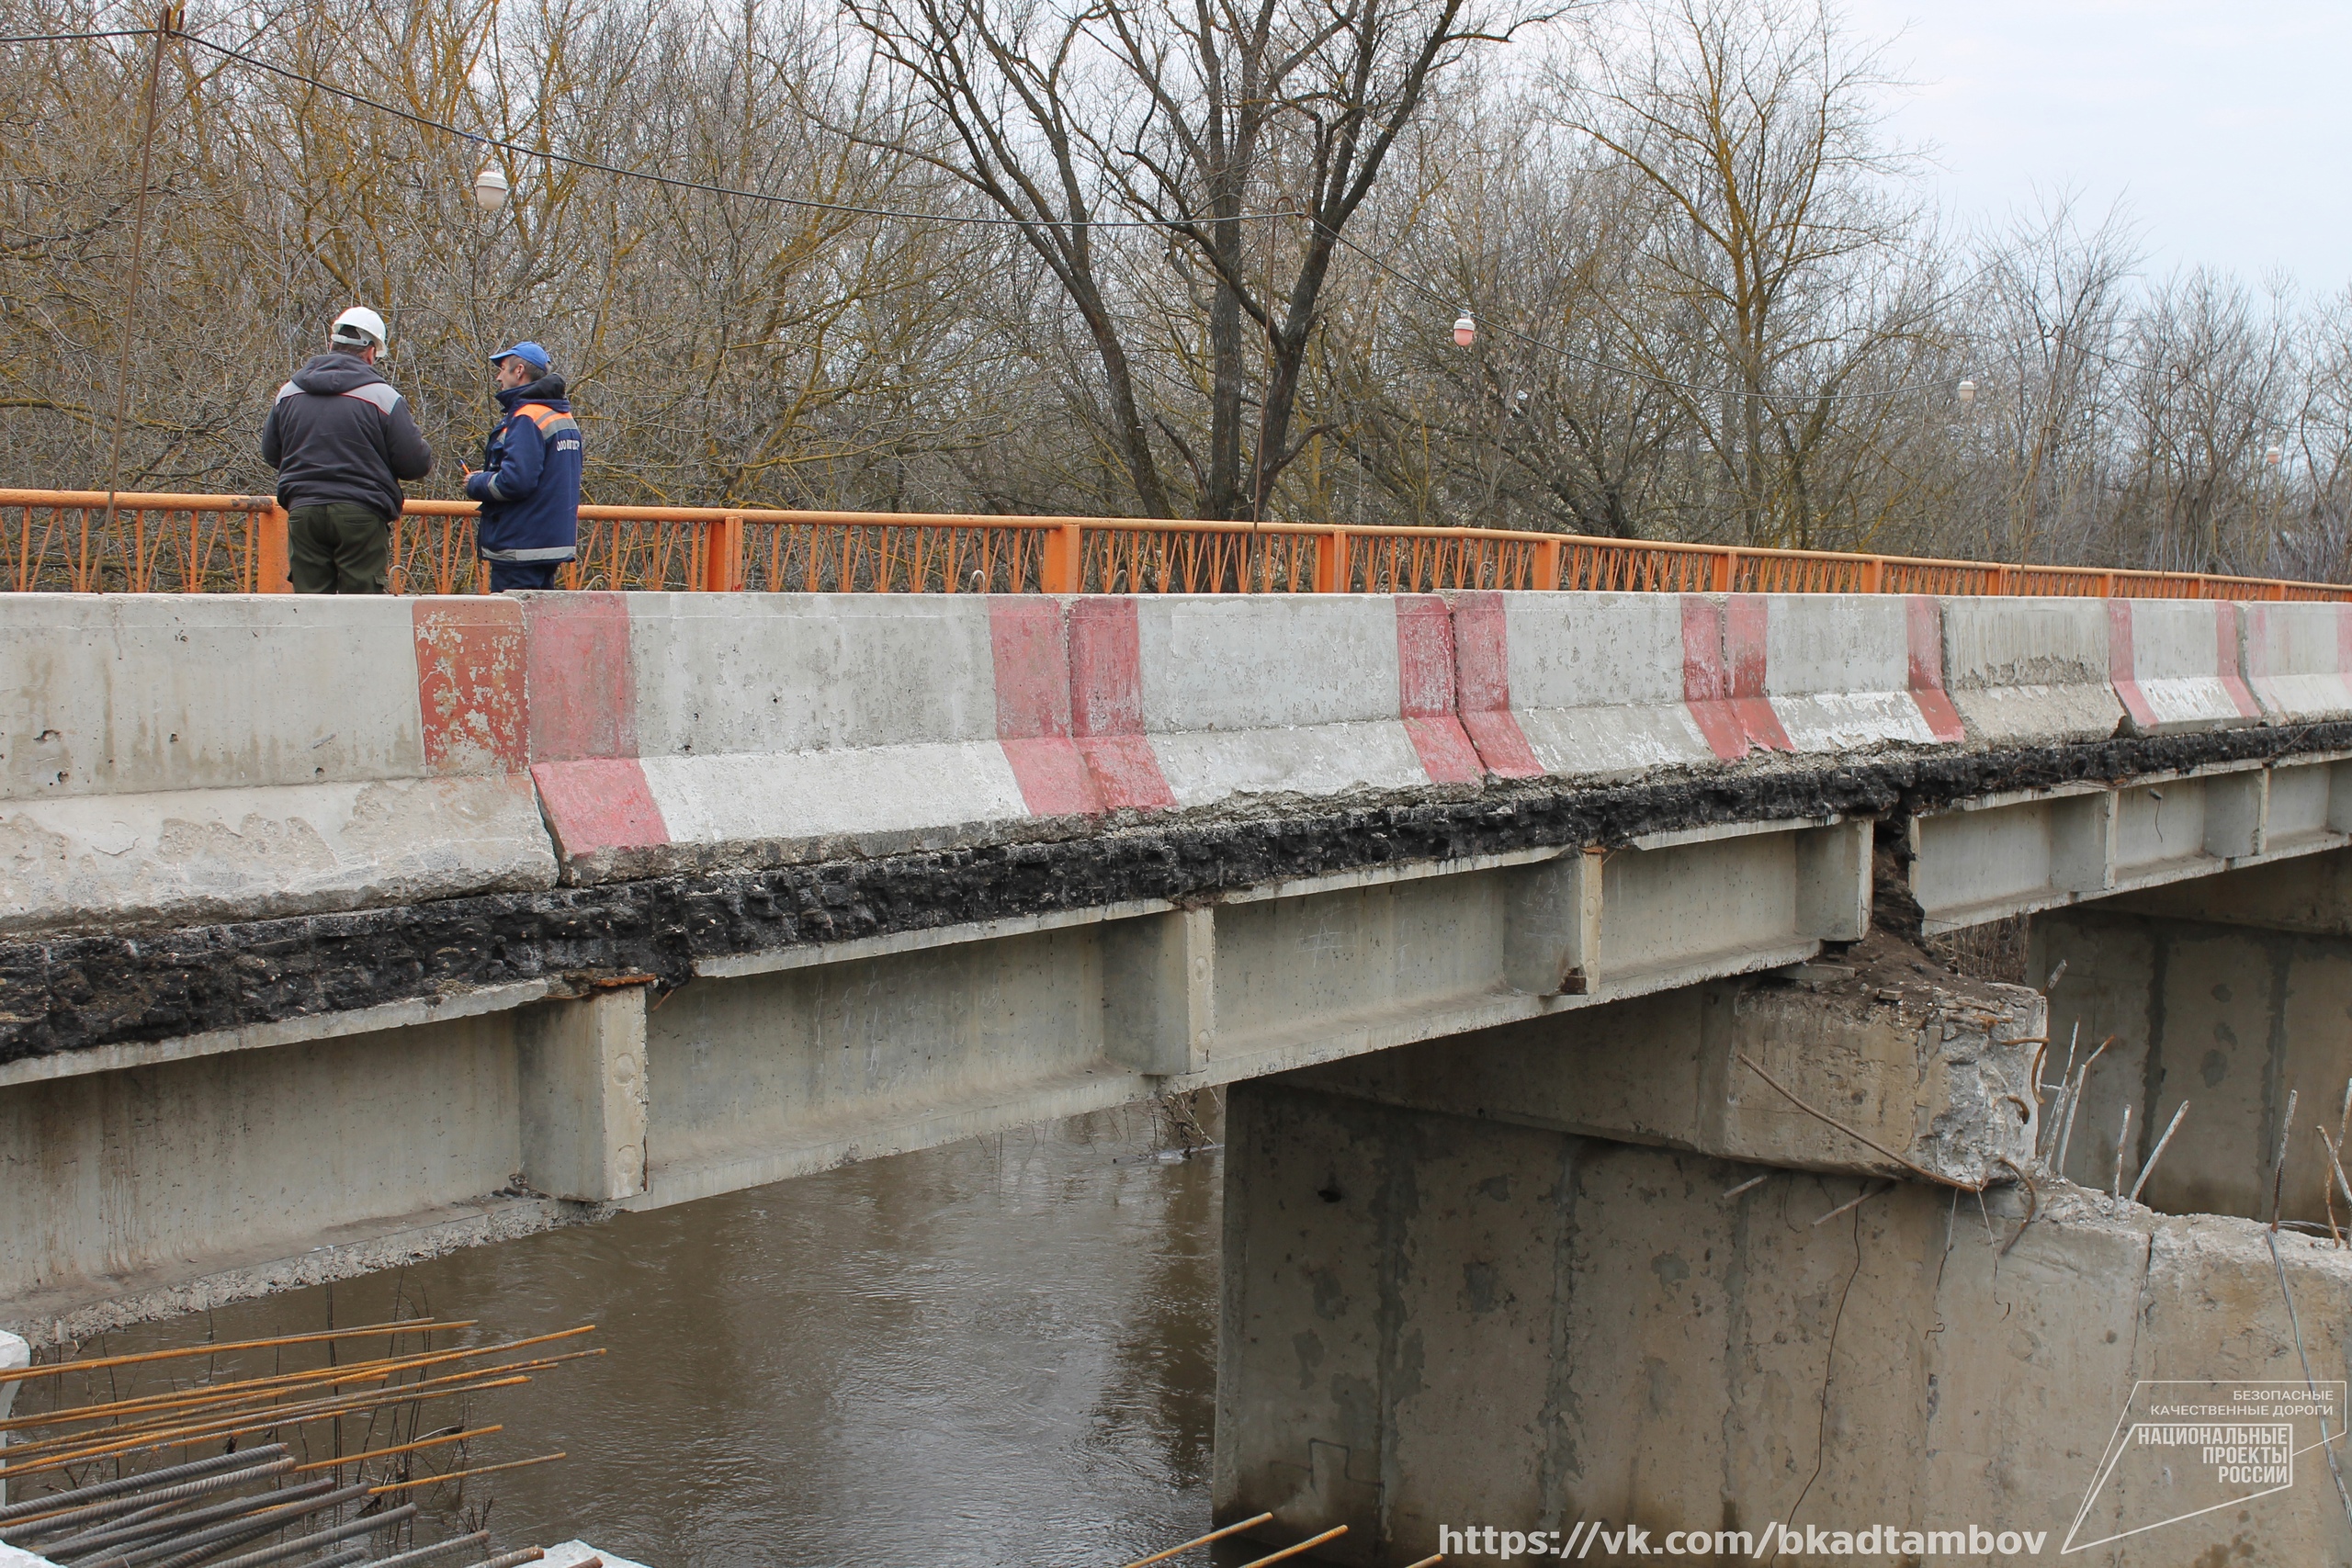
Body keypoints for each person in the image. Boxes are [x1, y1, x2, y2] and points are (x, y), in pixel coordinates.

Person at [259, 306, 435, 593]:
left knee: (310, 609)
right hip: (361, 512)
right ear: (370, 353)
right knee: (361, 609)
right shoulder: (383, 397)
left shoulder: (288, 393)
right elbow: (415, 464)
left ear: (332, 344)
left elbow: (271, 453)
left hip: (304, 510)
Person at [464, 341, 582, 592]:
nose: (498, 377)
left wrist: (477, 483)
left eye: (502, 369)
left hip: (520, 544)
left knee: (512, 626)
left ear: (519, 371)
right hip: (548, 543)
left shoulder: (526, 416)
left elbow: (516, 481)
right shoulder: (561, 415)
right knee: (540, 624)